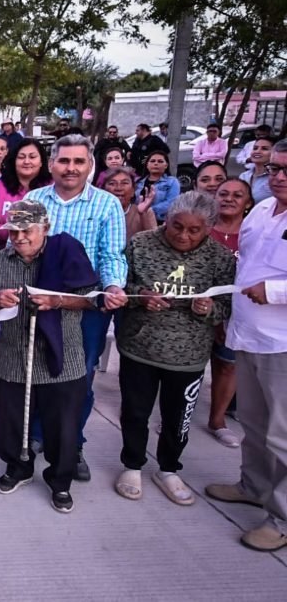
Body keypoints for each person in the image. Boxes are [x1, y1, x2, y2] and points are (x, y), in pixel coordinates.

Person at [0, 200, 99, 513]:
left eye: (26, 230)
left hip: (63, 356)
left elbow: (90, 300)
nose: (19, 237)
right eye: (13, 231)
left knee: (63, 426)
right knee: (11, 420)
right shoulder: (0, 260)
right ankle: (18, 469)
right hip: (15, 354)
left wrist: (57, 300)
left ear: (45, 228)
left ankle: (60, 480)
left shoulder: (66, 252)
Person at [114, 192, 235, 505]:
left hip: (189, 355)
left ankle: (168, 468)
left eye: (194, 230)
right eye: (176, 226)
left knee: (178, 416)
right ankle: (132, 464)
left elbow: (228, 304)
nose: (183, 235)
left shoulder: (220, 258)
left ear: (209, 228)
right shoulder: (140, 244)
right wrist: (141, 295)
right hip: (140, 345)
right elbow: (119, 286)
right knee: (135, 411)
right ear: (166, 219)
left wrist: (208, 309)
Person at [25, 134, 128, 481]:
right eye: (64, 161)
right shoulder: (34, 199)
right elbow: (20, 246)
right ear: (51, 164)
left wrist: (113, 286)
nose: (71, 168)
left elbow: (111, 255)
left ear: (90, 166)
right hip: (40, 300)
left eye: (78, 161)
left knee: (78, 377)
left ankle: (73, 444)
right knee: (39, 369)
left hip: (86, 305)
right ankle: (38, 435)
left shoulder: (107, 204)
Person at [205, 142, 287, 552]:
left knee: (283, 434)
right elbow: (245, 264)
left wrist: (272, 292)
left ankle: (282, 517)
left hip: (283, 343)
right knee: (254, 425)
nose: (279, 176)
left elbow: (264, 281)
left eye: (286, 170)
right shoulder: (261, 210)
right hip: (249, 334)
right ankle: (254, 485)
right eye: (274, 168)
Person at [206, 179, 252, 448]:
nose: (229, 199)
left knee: (227, 365)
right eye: (223, 194)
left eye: (237, 195)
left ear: (248, 202)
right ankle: (177, 415)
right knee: (190, 368)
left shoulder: (252, 232)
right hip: (199, 309)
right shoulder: (200, 228)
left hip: (237, 311)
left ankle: (217, 420)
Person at [0, 138, 52, 244]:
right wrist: (16, 232)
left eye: (32, 157)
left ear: (41, 161)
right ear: (14, 160)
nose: (27, 161)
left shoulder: (52, 186)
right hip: (6, 251)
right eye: (21, 157)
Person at [99, 167, 157, 241]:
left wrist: (143, 214)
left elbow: (153, 241)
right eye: (112, 183)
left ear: (133, 191)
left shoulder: (146, 212)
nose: (118, 188)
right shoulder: (97, 212)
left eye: (124, 183)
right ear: (104, 190)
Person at [135, 151, 180, 223]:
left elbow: (171, 202)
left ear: (166, 165)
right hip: (137, 220)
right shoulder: (137, 182)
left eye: (160, 161)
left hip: (161, 221)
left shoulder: (172, 182)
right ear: (147, 165)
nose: (156, 163)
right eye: (152, 161)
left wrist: (148, 210)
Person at [241, 136, 275, 204]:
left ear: (274, 153)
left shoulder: (276, 178)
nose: (257, 151)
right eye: (255, 148)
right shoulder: (244, 176)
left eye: (264, 149)